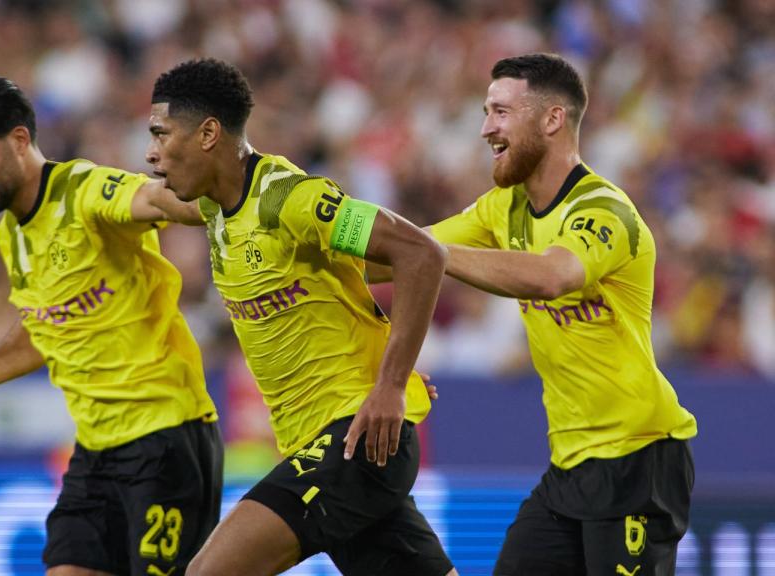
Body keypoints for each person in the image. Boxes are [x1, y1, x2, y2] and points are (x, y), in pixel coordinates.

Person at [145, 58, 457, 576]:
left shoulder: (290, 201)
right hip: (329, 447)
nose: (151, 154)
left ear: (207, 134)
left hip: (355, 437)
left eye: (160, 134)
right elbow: (139, 200)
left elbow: (421, 253)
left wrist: (391, 384)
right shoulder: (213, 209)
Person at [0, 75, 222, 576]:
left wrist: (218, 201)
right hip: (93, 452)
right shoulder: (11, 235)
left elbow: (154, 199)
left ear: (19, 140)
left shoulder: (84, 191)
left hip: (166, 440)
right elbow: (48, 324)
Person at [420, 53, 697, 574]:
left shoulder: (605, 211)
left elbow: (553, 277)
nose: (485, 129)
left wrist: (430, 258)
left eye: (500, 112)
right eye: (486, 112)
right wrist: (317, 236)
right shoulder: (503, 209)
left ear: (551, 120)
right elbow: (405, 249)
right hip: (569, 467)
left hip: (638, 459)